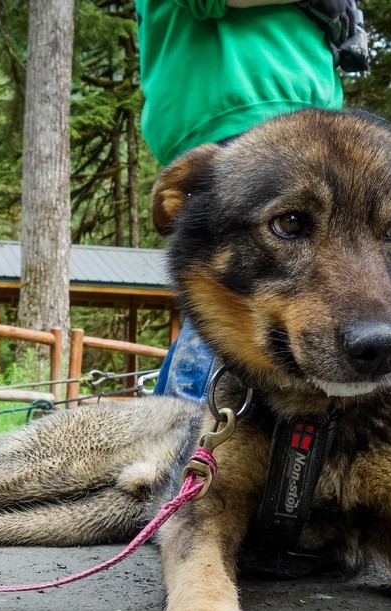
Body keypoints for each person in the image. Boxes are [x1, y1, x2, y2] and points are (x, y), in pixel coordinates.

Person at [138, 0, 346, 401]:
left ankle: (171, 425)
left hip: (300, 111)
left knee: (228, 291)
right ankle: (191, 432)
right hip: (244, 104)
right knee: (233, 285)